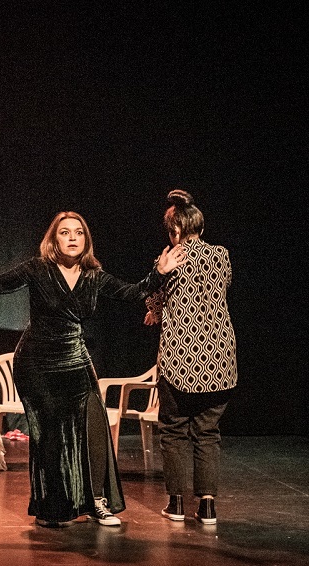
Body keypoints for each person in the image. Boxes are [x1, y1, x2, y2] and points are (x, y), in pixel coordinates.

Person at [0, 211, 186, 528]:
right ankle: (53, 507)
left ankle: (96, 501)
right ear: (54, 239)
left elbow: (131, 293)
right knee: (50, 438)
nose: (72, 237)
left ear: (86, 240)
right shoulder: (37, 269)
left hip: (75, 359)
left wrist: (159, 272)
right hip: (37, 362)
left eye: (78, 232)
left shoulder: (94, 276)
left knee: (95, 427)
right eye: (65, 232)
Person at [145, 190, 237, 526]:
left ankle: (176, 504)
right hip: (219, 360)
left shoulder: (169, 259)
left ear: (175, 231)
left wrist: (155, 311)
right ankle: (208, 507)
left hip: (180, 360)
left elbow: (155, 295)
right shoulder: (221, 255)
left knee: (173, 431)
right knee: (208, 432)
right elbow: (220, 288)